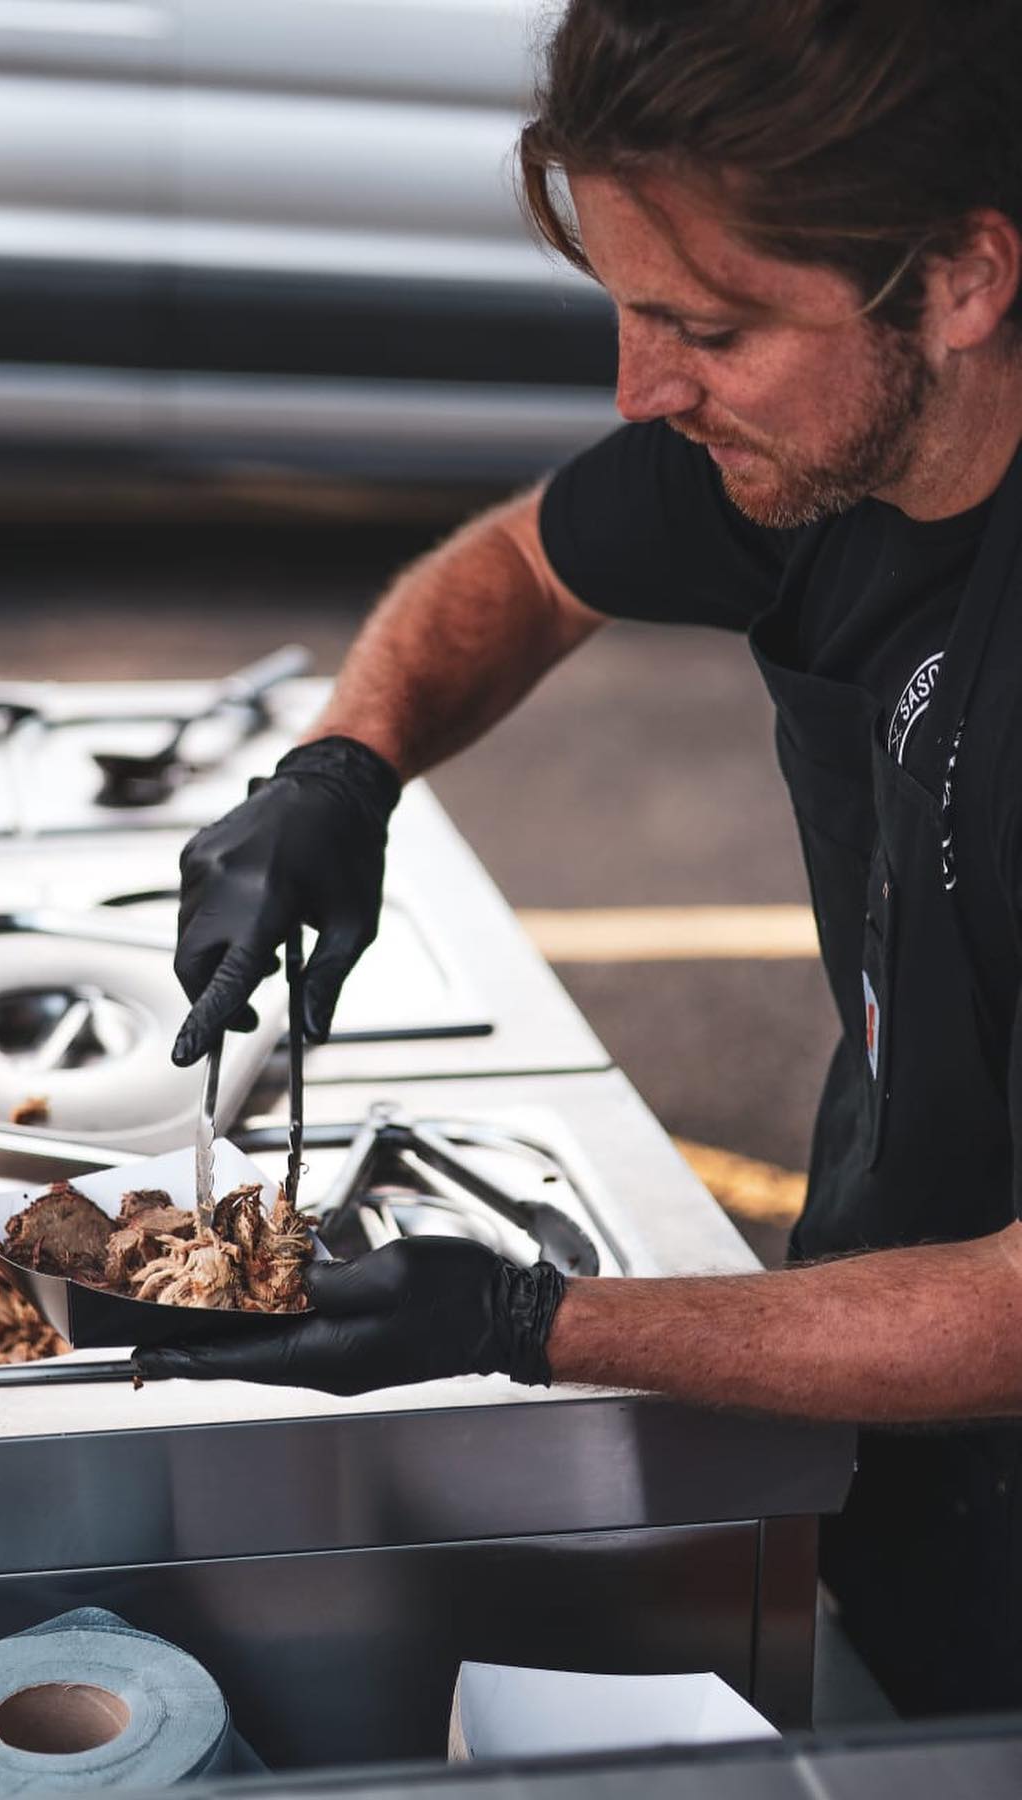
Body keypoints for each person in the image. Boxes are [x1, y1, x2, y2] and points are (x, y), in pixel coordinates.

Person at [136, 0, 1022, 1720]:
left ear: (964, 279)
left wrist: (523, 1319)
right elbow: (526, 566)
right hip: (877, 1361)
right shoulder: (818, 454)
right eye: (624, 311)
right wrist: (344, 762)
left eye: (706, 327)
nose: (640, 389)